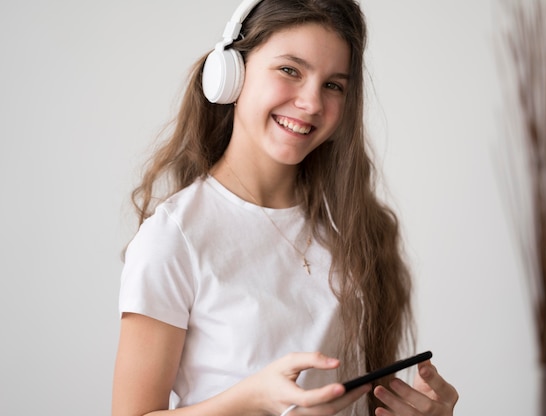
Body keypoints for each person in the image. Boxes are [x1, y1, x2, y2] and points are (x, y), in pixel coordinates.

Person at [112, 0, 459, 415]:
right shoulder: (175, 237)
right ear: (231, 75)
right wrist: (251, 400)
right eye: (290, 70)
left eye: (333, 85)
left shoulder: (355, 227)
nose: (312, 103)